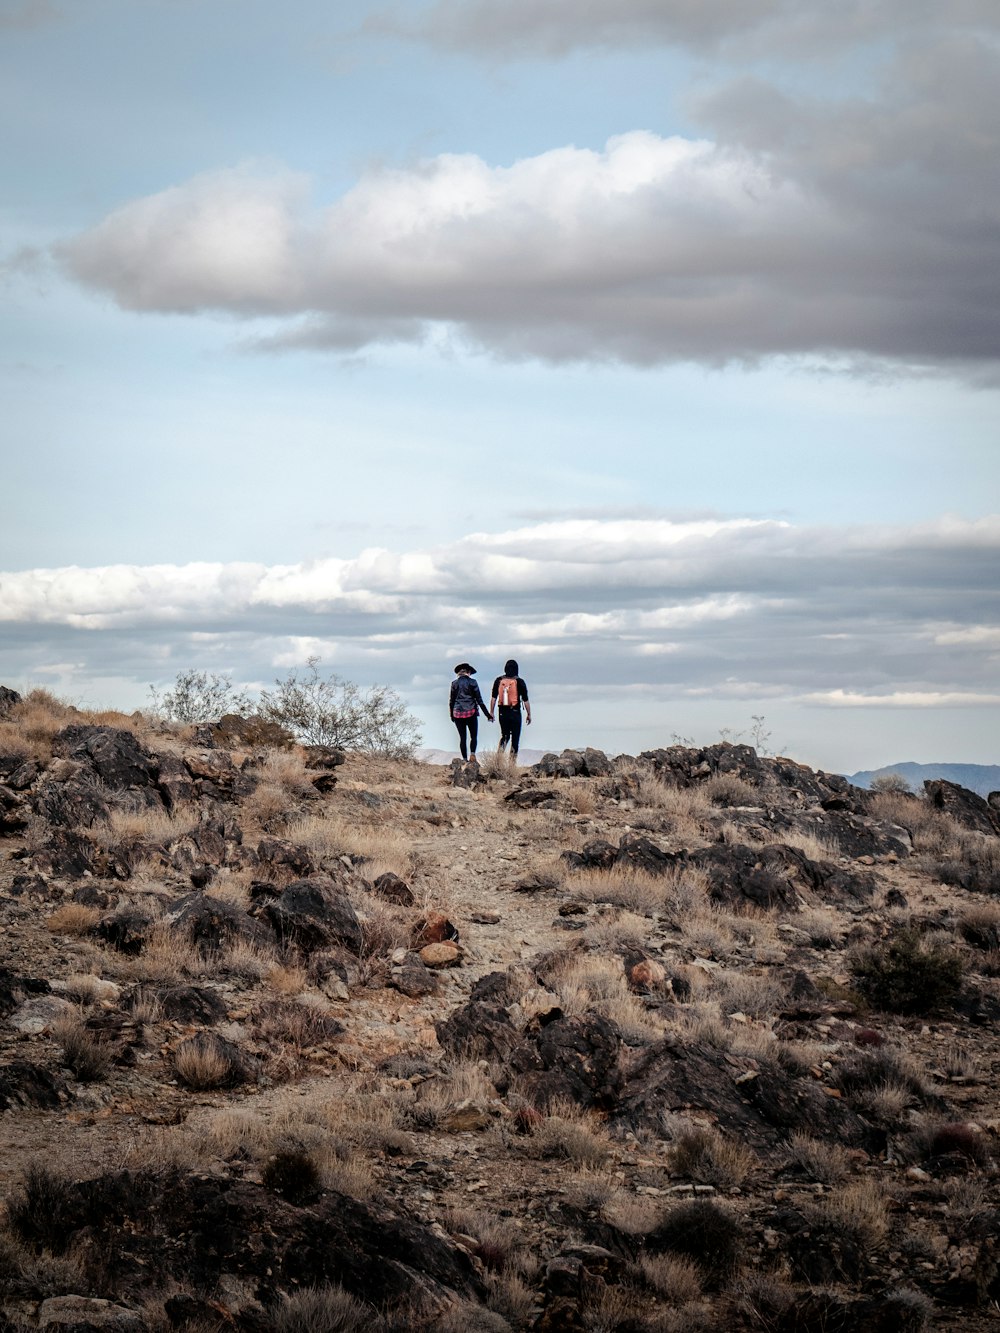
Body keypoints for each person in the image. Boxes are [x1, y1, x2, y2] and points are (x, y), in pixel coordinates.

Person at [449, 663, 491, 761]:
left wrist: (451, 715)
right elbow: (479, 700)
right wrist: (487, 715)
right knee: (473, 736)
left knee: (462, 738)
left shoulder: (454, 683)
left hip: (457, 714)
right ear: (468, 672)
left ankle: (464, 759)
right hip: (471, 712)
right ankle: (472, 754)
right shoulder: (473, 682)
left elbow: (451, 701)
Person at [489, 658, 531, 757]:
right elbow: (526, 700)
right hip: (515, 712)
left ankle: (498, 761)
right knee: (515, 739)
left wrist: (491, 712)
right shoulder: (520, 681)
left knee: (505, 736)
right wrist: (529, 714)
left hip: (502, 712)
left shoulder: (499, 681)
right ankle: (512, 765)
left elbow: (494, 698)